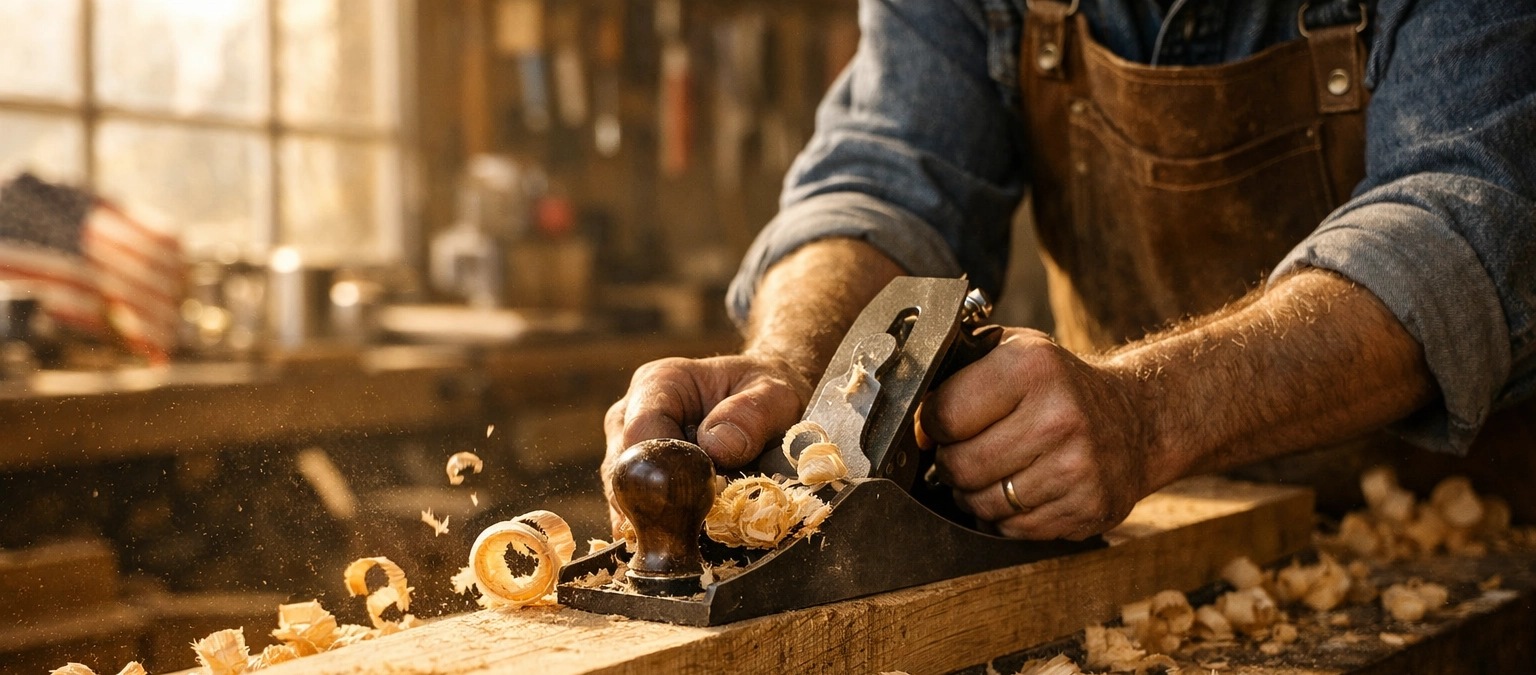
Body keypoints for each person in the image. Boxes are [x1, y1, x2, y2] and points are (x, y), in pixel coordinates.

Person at [605, 0, 1534, 541]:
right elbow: (889, 170)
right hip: (1111, 526)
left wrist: (1150, 410)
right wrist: (791, 361)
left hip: (1450, 535)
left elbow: (1462, 213)